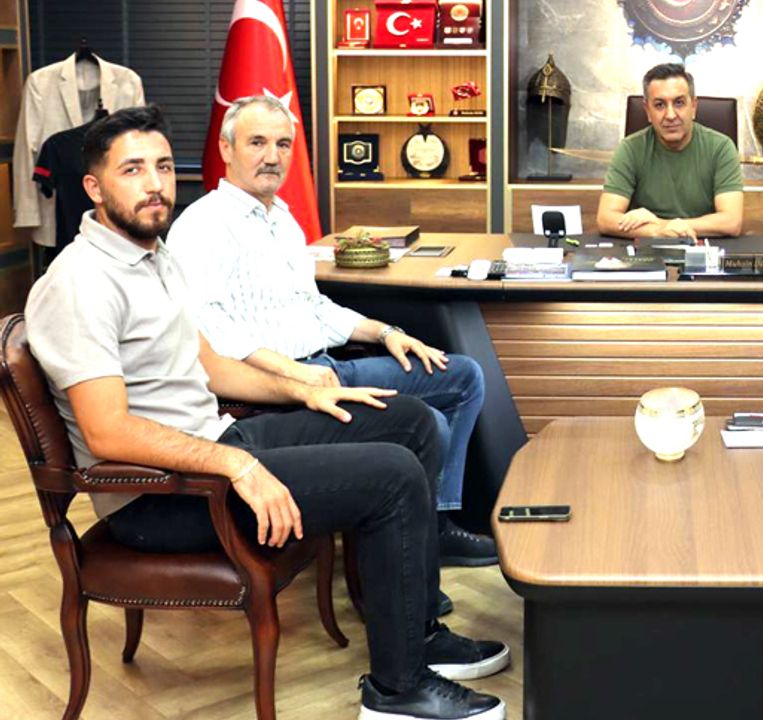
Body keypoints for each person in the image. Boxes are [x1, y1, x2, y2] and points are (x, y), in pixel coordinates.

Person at [24, 105, 508, 720]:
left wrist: (305, 391)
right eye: (133, 170)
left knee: (409, 420)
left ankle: (418, 631)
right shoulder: (80, 283)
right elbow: (107, 431)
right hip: (163, 499)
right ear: (94, 187)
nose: (155, 184)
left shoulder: (153, 255)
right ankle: (398, 689)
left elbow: (209, 365)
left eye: (164, 167)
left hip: (215, 447)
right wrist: (238, 466)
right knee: (393, 476)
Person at [167, 96, 495, 577]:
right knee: (430, 424)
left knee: (462, 375)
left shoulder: (282, 219)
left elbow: (315, 306)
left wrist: (386, 333)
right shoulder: (202, 226)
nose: (272, 157)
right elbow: (211, 329)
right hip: (278, 387)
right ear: (226, 148)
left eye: (283, 144)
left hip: (327, 366)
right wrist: (294, 375)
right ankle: (412, 544)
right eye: (257, 143)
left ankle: (438, 524)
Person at [596, 63, 743, 240]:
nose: (671, 115)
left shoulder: (721, 147)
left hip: (702, 248)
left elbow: (731, 222)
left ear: (693, 106)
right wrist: (657, 232)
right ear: (647, 111)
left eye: (679, 103)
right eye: (659, 105)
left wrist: (660, 224)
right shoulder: (630, 148)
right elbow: (606, 219)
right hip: (648, 249)